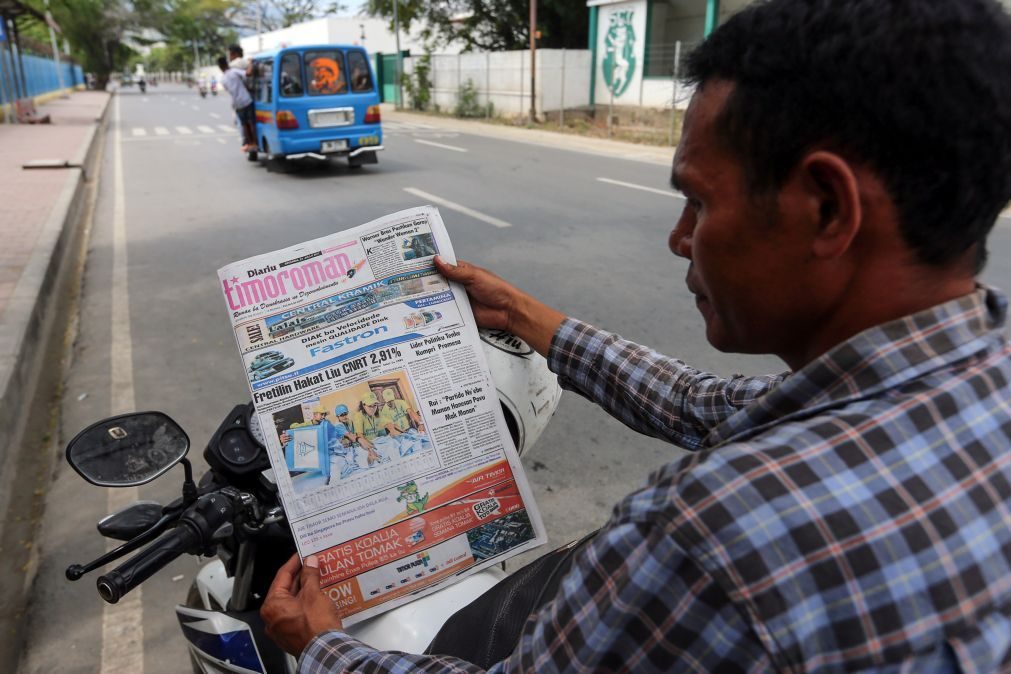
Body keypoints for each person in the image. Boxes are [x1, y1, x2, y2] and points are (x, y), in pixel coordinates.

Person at [260, 0, 1011, 671]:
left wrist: (323, 648)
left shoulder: (717, 534)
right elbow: (712, 405)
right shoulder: (976, 370)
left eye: (696, 202)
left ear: (824, 207)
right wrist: (528, 319)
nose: (679, 240)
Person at [216, 55, 256, 153]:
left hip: (237, 104)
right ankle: (254, 143)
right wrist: (251, 62)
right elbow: (248, 73)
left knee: (244, 124)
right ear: (226, 64)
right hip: (246, 100)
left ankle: (249, 143)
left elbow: (229, 90)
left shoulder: (223, 79)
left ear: (220, 67)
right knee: (251, 123)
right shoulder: (234, 71)